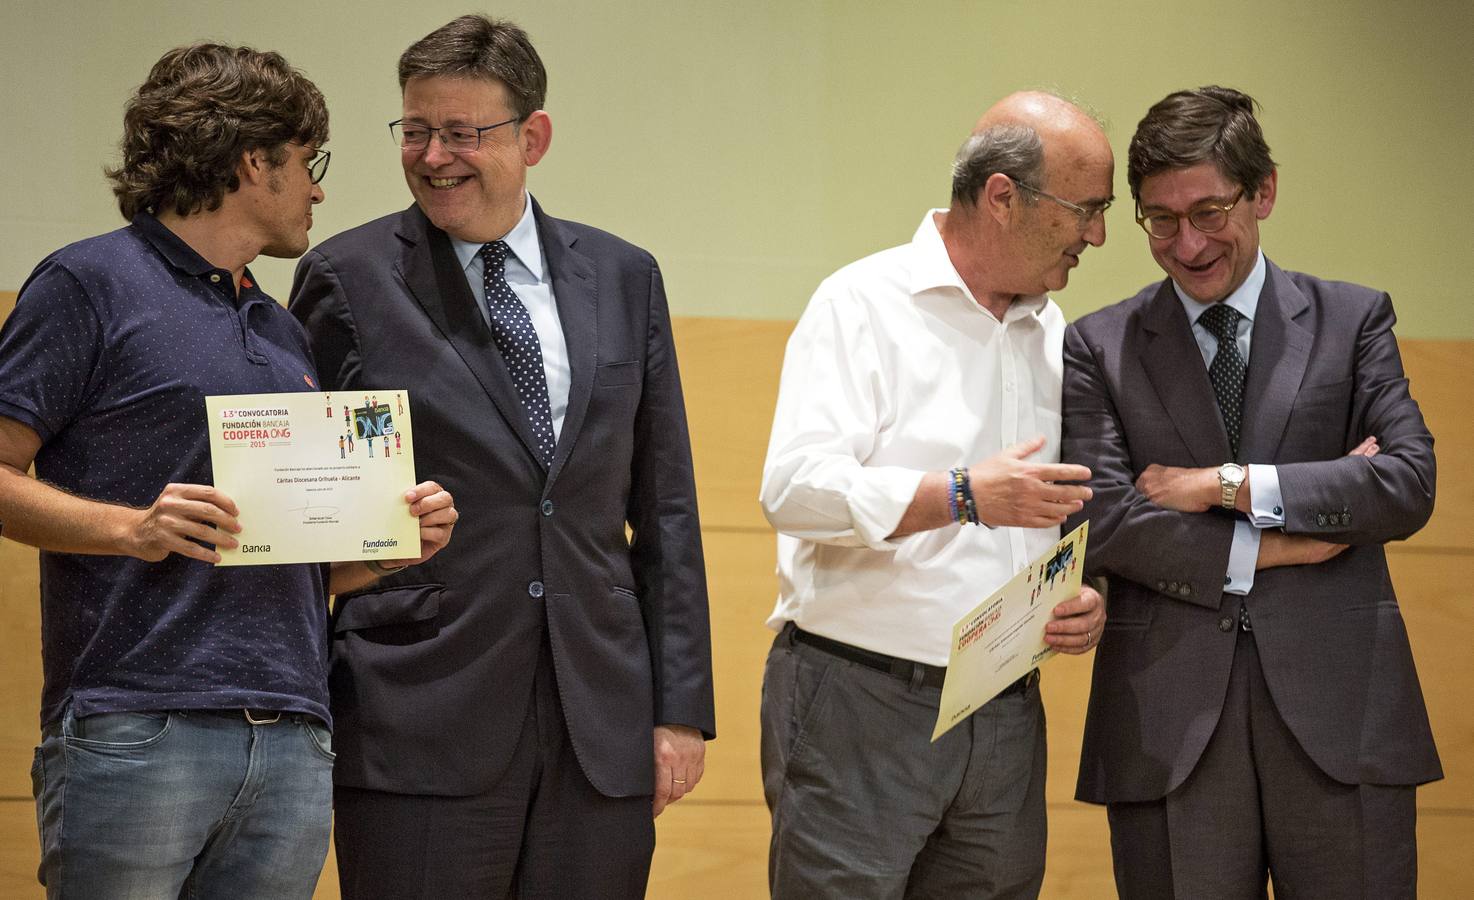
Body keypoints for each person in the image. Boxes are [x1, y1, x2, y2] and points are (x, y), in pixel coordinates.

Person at [0, 44, 457, 899]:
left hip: (293, 733)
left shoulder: (280, 328)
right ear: (256, 161)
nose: (319, 190)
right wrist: (128, 529)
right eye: (307, 163)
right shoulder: (87, 282)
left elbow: (297, 567)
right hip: (138, 724)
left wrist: (390, 548)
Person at [289, 14, 715, 899]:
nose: (434, 155)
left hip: (598, 721)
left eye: (462, 133)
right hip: (418, 712)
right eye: (415, 130)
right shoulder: (348, 275)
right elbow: (311, 502)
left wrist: (678, 711)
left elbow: (665, 506)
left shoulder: (624, 275)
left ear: (533, 137)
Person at [1062, 86, 1439, 898]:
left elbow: (1405, 483)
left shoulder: (1353, 320)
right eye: (1160, 219)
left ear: (1262, 191)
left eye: (1209, 211)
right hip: (1168, 730)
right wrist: (1278, 545)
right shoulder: (1097, 346)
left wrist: (1224, 486)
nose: (1187, 243)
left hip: (1346, 717)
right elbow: (1110, 521)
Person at [758, 92, 1111, 899]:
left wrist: (1084, 595)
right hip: (862, 699)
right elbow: (794, 490)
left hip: (1007, 705)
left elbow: (1058, 509)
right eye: (1084, 209)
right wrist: (959, 495)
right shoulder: (862, 304)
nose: (1096, 234)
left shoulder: (1057, 337)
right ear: (1001, 196)